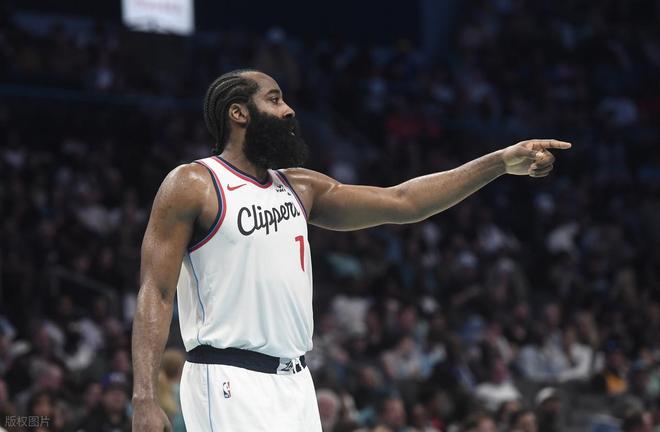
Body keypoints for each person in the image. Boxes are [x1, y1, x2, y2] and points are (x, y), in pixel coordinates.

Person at [131, 68, 571, 431]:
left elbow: (405, 202)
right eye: (275, 99)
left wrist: (498, 162)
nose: (289, 110)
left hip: (296, 382)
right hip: (228, 378)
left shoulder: (300, 187)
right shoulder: (194, 183)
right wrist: (145, 397)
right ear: (238, 112)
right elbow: (157, 292)